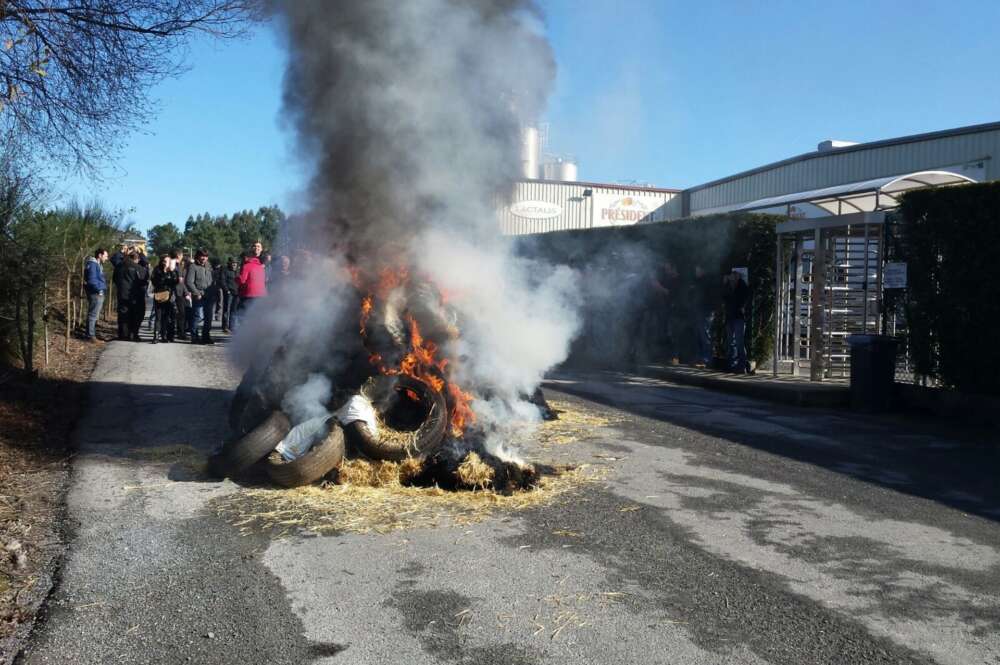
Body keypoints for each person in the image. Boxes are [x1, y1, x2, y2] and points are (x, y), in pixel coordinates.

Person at [113, 251, 148, 341]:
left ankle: (123, 334)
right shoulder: (139, 268)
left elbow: (115, 279)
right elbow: (144, 281)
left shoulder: (119, 267)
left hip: (122, 293)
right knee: (136, 315)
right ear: (137, 259)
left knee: (123, 314)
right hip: (135, 295)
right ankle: (133, 333)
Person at [185, 249, 216, 344]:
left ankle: (206, 336)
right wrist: (196, 293)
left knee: (208, 317)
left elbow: (213, 280)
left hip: (209, 295)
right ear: (197, 256)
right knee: (197, 316)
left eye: (206, 256)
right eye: (202, 256)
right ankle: (194, 337)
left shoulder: (209, 266)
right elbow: (189, 282)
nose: (204, 258)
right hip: (199, 296)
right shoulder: (193, 267)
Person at [723, 270, 751, 374]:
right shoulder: (728, 286)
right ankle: (732, 365)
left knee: (739, 342)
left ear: (738, 276)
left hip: (738, 317)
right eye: (732, 274)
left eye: (735, 274)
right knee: (731, 342)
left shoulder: (742, 286)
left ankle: (741, 366)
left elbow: (745, 299)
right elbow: (724, 297)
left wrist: (741, 308)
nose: (733, 276)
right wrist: (725, 284)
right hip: (730, 316)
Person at [235, 241, 267, 326]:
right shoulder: (260, 266)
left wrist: (236, 278)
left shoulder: (247, 265)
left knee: (243, 316)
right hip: (261, 295)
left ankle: (243, 334)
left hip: (249, 295)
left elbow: (242, 280)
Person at [150, 255, 179, 343]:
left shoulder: (172, 270)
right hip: (159, 294)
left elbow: (175, 282)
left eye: (169, 261)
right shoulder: (157, 270)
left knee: (166, 316)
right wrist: (164, 274)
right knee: (158, 316)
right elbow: (155, 281)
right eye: (166, 261)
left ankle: (164, 335)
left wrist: (172, 272)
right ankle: (156, 336)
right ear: (162, 261)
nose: (167, 263)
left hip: (169, 296)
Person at [83, 248, 109, 342]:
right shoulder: (93, 264)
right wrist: (99, 290)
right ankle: (91, 336)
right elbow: (92, 280)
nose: (107, 258)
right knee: (93, 314)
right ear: (100, 255)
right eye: (106, 256)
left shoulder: (97, 264)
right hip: (95, 293)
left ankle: (90, 334)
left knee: (93, 314)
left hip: (97, 292)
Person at [170, 250, 190, 340]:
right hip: (177, 292)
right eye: (181, 255)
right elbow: (180, 281)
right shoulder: (174, 266)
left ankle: (179, 332)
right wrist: (186, 293)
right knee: (180, 314)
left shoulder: (178, 266)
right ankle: (180, 333)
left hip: (180, 292)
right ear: (178, 255)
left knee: (181, 314)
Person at [220, 257, 239, 333]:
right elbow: (222, 281)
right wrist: (227, 290)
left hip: (236, 293)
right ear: (229, 263)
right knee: (226, 310)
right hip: (229, 293)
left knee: (234, 310)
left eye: (235, 263)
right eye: (233, 263)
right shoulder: (225, 270)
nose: (234, 264)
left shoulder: (238, 271)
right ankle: (225, 326)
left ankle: (232, 326)